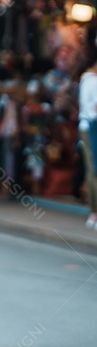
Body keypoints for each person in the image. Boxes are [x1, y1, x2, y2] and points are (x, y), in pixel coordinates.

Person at [79, 51, 97, 229]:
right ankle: (94, 213)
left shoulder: (85, 80)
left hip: (86, 126)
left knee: (92, 169)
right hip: (92, 127)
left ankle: (93, 213)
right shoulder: (93, 81)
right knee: (94, 170)